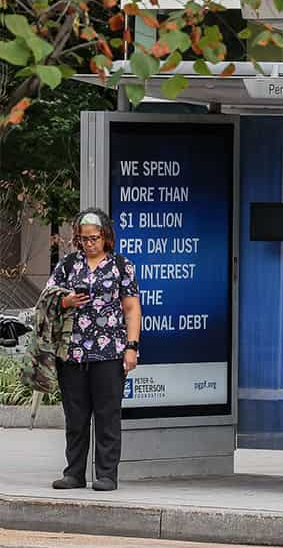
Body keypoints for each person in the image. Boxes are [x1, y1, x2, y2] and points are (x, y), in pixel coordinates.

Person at [46, 209, 141, 492]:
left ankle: (107, 474)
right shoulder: (67, 265)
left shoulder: (121, 266)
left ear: (106, 237)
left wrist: (132, 347)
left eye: (95, 238)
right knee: (75, 416)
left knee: (107, 415)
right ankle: (74, 473)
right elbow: (48, 297)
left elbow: (132, 308)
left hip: (110, 352)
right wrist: (66, 302)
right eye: (84, 239)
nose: (89, 244)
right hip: (73, 352)